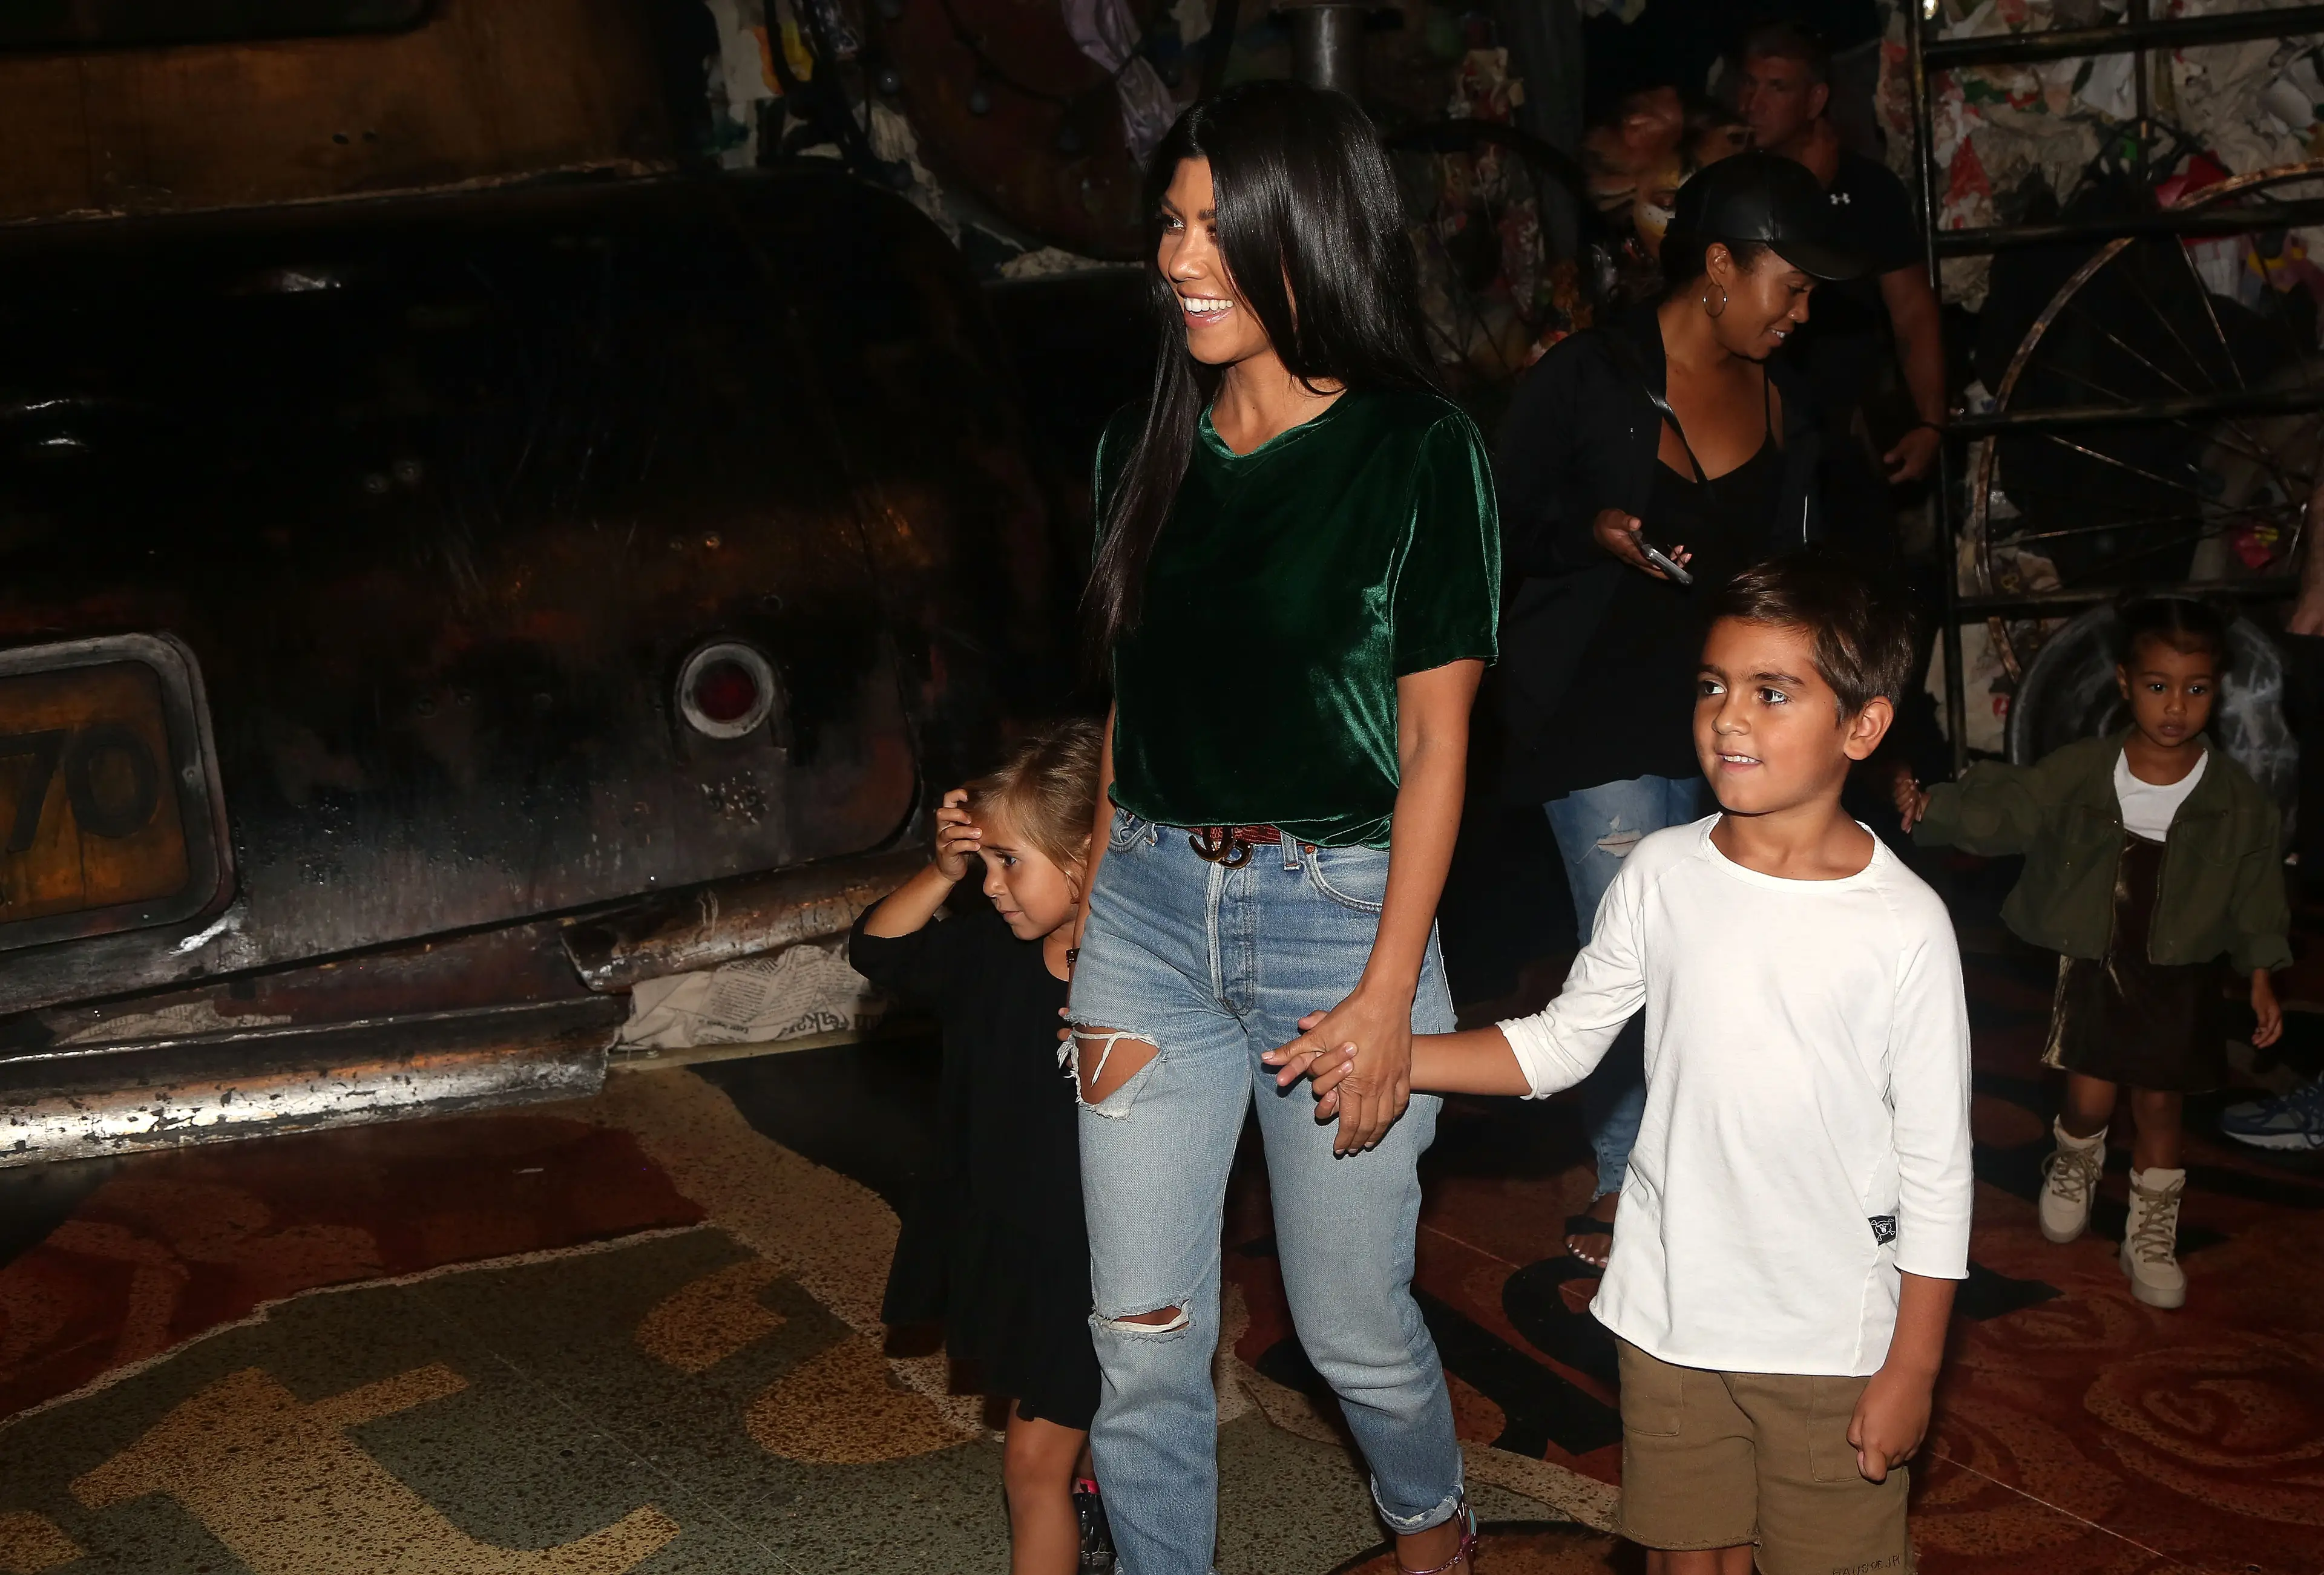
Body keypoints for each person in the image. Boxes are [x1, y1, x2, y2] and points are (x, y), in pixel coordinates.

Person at [1275, 553, 1972, 1575]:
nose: (1730, 717)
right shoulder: (1663, 873)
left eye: (1773, 693)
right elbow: (1559, 1044)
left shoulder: (1903, 925)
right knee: (1689, 1556)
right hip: (1671, 1313)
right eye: (1714, 685)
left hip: (1829, 1338)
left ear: (1862, 726)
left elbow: (1939, 1167)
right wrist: (1395, 1052)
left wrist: (1914, 1363)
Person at [1064, 80, 1499, 1575]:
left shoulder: (1416, 451)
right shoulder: (1138, 446)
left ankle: (1429, 1526)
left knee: (1347, 1324)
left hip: (1340, 920)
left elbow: (1440, 740)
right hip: (1142, 927)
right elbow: (1129, 692)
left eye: (1219, 230)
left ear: (1308, 238)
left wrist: (1387, 993)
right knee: (1138, 1339)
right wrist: (1092, 890)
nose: (1183, 259)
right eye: (1171, 226)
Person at [1495, 150, 1853, 1268]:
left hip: (1726, 733)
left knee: (1721, 961)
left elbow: (1798, 573)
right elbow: (1489, 527)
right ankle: (1628, 1189)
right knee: (1639, 963)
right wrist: (1586, 533)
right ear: (1716, 266)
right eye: (1786, 287)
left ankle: (1707, 1178)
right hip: (1595, 720)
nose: (1800, 313)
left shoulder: (1783, 400)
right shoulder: (1586, 376)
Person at [1896, 598, 2290, 1308]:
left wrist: (2261, 972)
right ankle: (2075, 1158)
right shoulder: (2086, 768)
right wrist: (1939, 809)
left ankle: (2151, 1229)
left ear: (2218, 688)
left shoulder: (2234, 798)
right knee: (2089, 1095)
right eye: (2158, 685)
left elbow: (2256, 887)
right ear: (2123, 680)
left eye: (2196, 688)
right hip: (2098, 961)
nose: (2176, 706)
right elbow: (2016, 805)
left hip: (2181, 971)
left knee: (2162, 1105)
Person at [849, 721, 1112, 1575]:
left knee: (1031, 1465)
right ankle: (1102, 1502)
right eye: (987, 862)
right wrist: (944, 867)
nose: (992, 885)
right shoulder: (993, 957)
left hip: (1096, 1265)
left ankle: (1094, 1506)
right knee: (1080, 1430)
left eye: (1011, 863)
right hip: (1014, 1246)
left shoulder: (1139, 984)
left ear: (1085, 860)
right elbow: (878, 949)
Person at [1738, 22, 1948, 557]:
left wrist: (1930, 419)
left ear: (1816, 99)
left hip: (1846, 441)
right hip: (1750, 435)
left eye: (1776, 88)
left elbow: (1912, 312)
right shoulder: (1733, 185)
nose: (1753, 103)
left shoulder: (1869, 189)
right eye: (1750, 85)